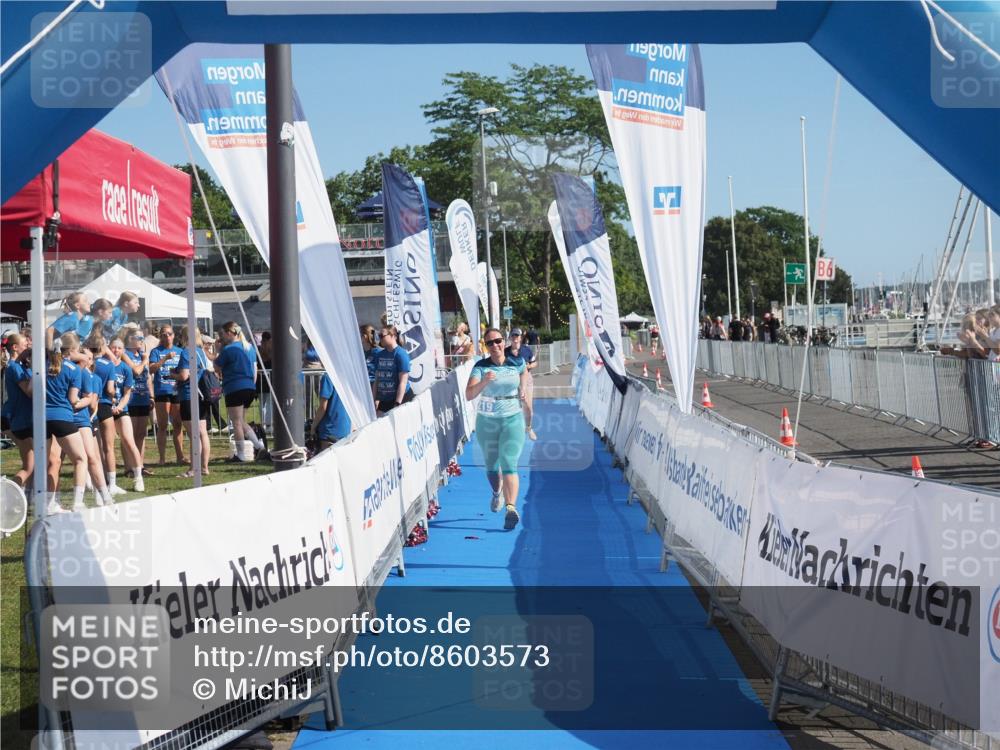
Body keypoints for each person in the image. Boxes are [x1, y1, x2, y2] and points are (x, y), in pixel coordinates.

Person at [465, 327, 529, 531]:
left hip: (512, 419)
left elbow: (524, 371)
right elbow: (468, 394)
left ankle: (511, 508)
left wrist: (523, 388)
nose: (495, 345)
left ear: (504, 341)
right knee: (492, 465)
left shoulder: (516, 361)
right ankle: (496, 493)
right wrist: (484, 381)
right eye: (489, 343)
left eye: (498, 341)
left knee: (509, 462)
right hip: (488, 421)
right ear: (486, 346)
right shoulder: (480, 367)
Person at [43, 338, 89, 515]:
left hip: (42, 418)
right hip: (62, 417)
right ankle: (77, 503)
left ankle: (50, 503)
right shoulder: (74, 369)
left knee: (52, 462)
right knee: (80, 459)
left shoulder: (44, 364)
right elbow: (72, 399)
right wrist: (85, 401)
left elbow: (32, 391)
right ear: (72, 351)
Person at [215, 321, 266, 462]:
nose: (222, 337)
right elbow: (254, 371)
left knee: (236, 422)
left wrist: (218, 351)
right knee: (241, 421)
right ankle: (258, 445)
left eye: (223, 334)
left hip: (235, 387)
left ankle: (242, 454)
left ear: (230, 333)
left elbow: (216, 366)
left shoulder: (228, 349)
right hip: (249, 386)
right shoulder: (249, 348)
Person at [72, 348, 114, 507]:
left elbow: (93, 403)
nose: (88, 360)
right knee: (89, 457)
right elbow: (91, 401)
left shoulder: (92, 378)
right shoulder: (87, 375)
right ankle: (100, 494)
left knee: (90, 457)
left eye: (89, 358)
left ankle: (101, 494)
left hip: (87, 420)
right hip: (82, 420)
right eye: (87, 358)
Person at [173, 326, 211, 478]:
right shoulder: (201, 352)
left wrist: (172, 375)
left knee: (193, 434)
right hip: (202, 395)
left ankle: (193, 468)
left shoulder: (186, 352)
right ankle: (204, 467)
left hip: (189, 395)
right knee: (203, 433)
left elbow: (184, 376)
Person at [109, 337, 145, 492]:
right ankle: (109, 480)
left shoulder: (125, 368)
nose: (115, 350)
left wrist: (119, 406)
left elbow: (127, 393)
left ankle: (138, 477)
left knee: (129, 441)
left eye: (119, 348)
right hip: (107, 409)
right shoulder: (104, 366)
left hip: (122, 410)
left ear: (123, 351)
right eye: (113, 347)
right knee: (108, 445)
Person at [148, 324, 185, 465]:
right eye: (164, 334)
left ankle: (180, 456)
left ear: (173, 335)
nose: (167, 337)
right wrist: (165, 359)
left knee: (177, 424)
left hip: (176, 391)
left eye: (169, 334)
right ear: (161, 336)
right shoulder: (156, 351)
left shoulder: (180, 351)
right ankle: (162, 458)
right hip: (162, 391)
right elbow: (151, 369)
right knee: (162, 426)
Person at [2, 333, 33, 488]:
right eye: (25, 345)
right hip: (17, 418)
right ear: (15, 347)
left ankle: (28, 495)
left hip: (19, 417)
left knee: (30, 464)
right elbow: (28, 391)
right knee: (30, 466)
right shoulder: (14, 367)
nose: (28, 348)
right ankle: (6, 494)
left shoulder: (18, 366)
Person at [123, 330, 153, 474]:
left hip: (143, 397)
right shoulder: (125, 354)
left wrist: (152, 396)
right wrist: (145, 361)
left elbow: (147, 378)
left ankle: (139, 465)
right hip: (131, 398)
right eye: (139, 338)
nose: (142, 341)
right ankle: (129, 466)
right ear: (130, 339)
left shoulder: (141, 355)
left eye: (143, 338)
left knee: (141, 433)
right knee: (130, 435)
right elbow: (136, 371)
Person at [505, 327, 538, 440]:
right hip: (510, 380)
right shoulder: (506, 352)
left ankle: (529, 428)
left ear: (521, 337)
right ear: (510, 337)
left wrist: (527, 366)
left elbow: (534, 364)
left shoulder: (526, 350)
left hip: (526, 379)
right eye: (513, 335)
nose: (515, 338)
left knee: (527, 405)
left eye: (517, 336)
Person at [373, 325, 413, 413]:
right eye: (379, 336)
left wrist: (397, 404)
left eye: (382, 336)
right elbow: (377, 380)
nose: (380, 338)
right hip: (385, 399)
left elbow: (403, 382)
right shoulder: (379, 355)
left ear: (393, 336)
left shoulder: (401, 354)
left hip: (401, 398)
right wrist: (375, 398)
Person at [312, 374, 351, 450]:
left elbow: (323, 407)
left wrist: (313, 426)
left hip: (329, 431)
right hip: (346, 430)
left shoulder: (328, 377)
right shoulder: (348, 376)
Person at [258, 330, 273, 435]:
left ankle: (268, 424)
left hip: (270, 379)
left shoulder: (272, 349)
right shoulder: (260, 350)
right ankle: (265, 423)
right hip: (261, 380)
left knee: (268, 403)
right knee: (262, 403)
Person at [360, 324, 382, 395]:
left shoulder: (378, 352)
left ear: (364, 337)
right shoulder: (361, 352)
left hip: (374, 388)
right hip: (363, 387)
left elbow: (380, 375)